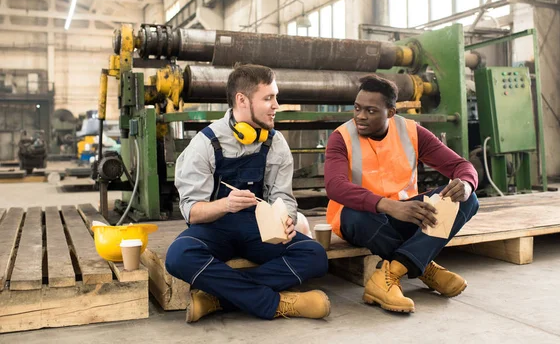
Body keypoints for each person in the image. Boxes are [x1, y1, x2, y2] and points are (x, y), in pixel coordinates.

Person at [166, 64, 330, 323]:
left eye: (275, 96)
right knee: (178, 256)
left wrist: (286, 218)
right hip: (215, 229)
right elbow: (193, 212)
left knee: (315, 256)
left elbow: (283, 197)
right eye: (268, 98)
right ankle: (278, 302)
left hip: (261, 231)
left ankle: (218, 299)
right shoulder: (205, 143)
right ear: (241, 100)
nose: (276, 105)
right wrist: (226, 205)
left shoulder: (275, 143)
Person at [324, 74, 479, 313]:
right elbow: (335, 186)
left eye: (371, 111)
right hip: (362, 218)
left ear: (391, 113)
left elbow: (461, 166)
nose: (360, 116)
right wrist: (387, 205)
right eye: (357, 108)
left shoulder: (412, 132)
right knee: (356, 215)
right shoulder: (340, 138)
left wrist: (467, 184)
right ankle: (425, 268)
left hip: (407, 215)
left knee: (466, 200)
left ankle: (391, 274)